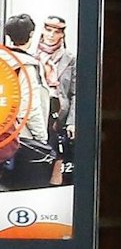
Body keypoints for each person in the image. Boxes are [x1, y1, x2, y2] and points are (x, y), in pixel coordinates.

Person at [0, 14, 55, 189]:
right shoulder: (25, 65)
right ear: (31, 35)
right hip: (19, 139)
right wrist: (41, 138)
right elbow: (29, 107)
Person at [37, 15, 72, 178]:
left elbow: (74, 92)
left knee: (59, 156)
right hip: (37, 112)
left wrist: (72, 122)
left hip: (59, 115)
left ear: (62, 34)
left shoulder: (69, 59)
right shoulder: (32, 56)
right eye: (48, 30)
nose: (51, 35)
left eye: (56, 32)